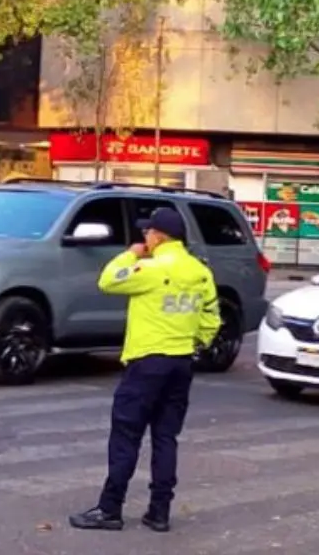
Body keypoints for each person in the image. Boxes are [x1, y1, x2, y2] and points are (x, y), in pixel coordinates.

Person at [69, 207, 221, 533]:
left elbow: (108, 281)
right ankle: (159, 512)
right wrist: (196, 343)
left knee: (126, 435)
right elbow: (211, 318)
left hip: (146, 363)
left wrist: (128, 255)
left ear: (158, 236)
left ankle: (110, 509)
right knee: (166, 437)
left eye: (147, 233)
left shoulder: (150, 268)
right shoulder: (200, 271)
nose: (143, 238)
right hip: (181, 363)